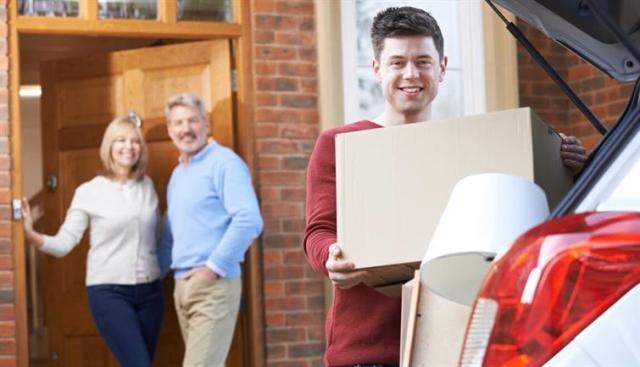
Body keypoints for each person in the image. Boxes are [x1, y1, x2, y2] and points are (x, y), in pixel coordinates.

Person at [303, 6, 587, 367]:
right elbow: (319, 231)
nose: (411, 73)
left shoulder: (471, 148)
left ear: (442, 66)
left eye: (423, 61)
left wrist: (567, 167)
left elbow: (528, 216)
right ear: (376, 69)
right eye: (397, 62)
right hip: (369, 348)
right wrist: (331, 256)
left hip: (454, 344)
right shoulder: (340, 144)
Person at [21, 115, 165, 367]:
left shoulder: (147, 186)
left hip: (151, 292)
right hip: (110, 292)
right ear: (109, 146)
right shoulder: (89, 192)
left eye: (135, 141)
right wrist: (33, 236)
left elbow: (158, 236)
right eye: (121, 140)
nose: (128, 147)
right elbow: (65, 242)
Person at [159, 92, 263, 367]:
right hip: (182, 286)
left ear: (205, 123)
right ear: (170, 130)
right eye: (178, 123)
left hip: (213, 286)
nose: (185, 129)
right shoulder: (178, 174)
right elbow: (171, 231)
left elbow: (249, 219)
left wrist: (212, 268)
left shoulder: (224, 163)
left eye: (192, 120)